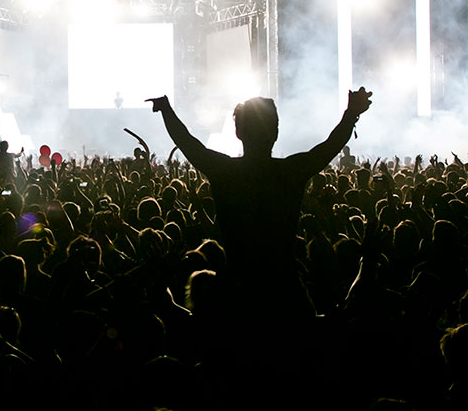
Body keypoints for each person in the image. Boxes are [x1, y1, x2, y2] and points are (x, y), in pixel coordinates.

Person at [146, 88, 372, 319]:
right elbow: (329, 147)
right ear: (275, 132)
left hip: (237, 295)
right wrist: (351, 113)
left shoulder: (226, 173)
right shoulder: (290, 172)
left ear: (238, 132)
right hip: (285, 293)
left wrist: (167, 111)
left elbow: (189, 145)